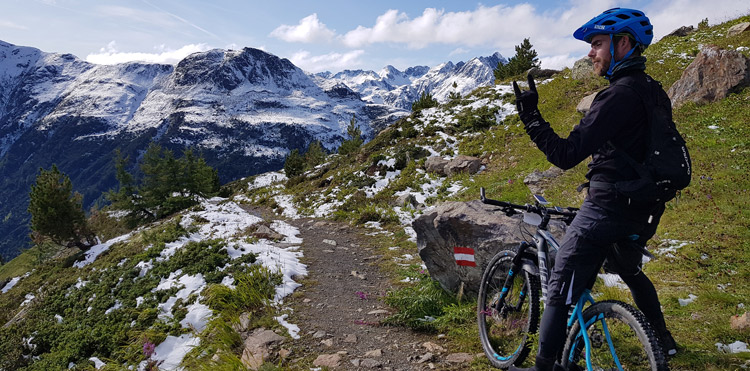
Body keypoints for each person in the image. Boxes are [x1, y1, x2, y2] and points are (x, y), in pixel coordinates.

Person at [509, 8, 677, 371]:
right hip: (644, 207)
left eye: (597, 44)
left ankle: (543, 366)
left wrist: (531, 117)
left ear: (624, 44)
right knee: (628, 269)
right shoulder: (652, 91)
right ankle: (663, 342)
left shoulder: (618, 96)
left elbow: (566, 154)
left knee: (558, 285)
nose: (590, 53)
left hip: (607, 206)